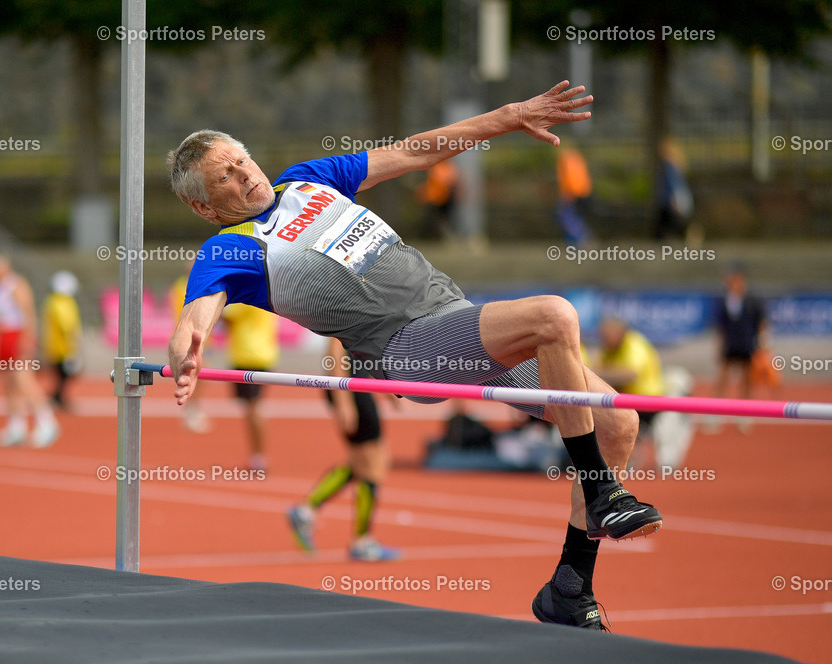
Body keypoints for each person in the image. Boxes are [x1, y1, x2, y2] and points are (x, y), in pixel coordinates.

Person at [166, 81, 662, 631]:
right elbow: (197, 314)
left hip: (455, 318)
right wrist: (188, 344)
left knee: (618, 421)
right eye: (224, 178)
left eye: (241, 160)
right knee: (554, 316)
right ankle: (601, 492)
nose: (245, 176)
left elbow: (417, 149)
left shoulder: (310, 178)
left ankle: (570, 587)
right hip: (408, 349)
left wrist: (511, 115)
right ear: (202, 204)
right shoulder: (230, 247)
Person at [288, 338, 398, 561]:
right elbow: (335, 358)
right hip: (349, 391)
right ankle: (361, 540)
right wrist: (343, 401)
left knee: (371, 462)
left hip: (357, 389)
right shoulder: (341, 317)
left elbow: (368, 356)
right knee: (372, 466)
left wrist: (387, 388)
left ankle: (306, 511)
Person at [0, 254, 59, 448]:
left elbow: (28, 313)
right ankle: (16, 427)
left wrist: (29, 338)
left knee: (24, 381)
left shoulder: (16, 285)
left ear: (4, 267)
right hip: (2, 336)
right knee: (9, 385)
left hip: (17, 336)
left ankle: (47, 423)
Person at [594, 317, 664, 469]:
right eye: (602, 336)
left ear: (619, 333)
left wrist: (594, 373)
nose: (603, 339)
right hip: (626, 400)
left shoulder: (634, 345)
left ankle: (620, 457)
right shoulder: (609, 348)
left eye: (606, 336)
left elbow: (630, 374)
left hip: (647, 402)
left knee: (611, 418)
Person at [221, 302, 279, 471]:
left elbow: (226, 318)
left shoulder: (246, 296)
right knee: (252, 406)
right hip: (261, 353)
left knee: (254, 406)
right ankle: (257, 455)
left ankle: (259, 456)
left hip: (249, 355)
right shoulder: (264, 292)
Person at [712, 263, 768, 433]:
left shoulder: (753, 299)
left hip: (747, 344)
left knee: (747, 380)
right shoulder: (723, 300)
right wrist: (719, 346)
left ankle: (743, 414)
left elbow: (762, 323)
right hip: (730, 344)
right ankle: (715, 414)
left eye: (733, 279)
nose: (729, 282)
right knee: (722, 379)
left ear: (741, 280)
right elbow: (720, 326)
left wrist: (764, 344)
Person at [169, 274, 211, 433]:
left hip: (203, 337)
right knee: (195, 374)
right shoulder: (184, 286)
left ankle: (192, 409)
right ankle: (191, 410)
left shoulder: (199, 282)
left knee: (201, 376)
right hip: (191, 337)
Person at [41, 270, 82, 409]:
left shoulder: (52, 300)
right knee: (65, 373)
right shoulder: (64, 302)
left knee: (60, 374)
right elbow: (66, 324)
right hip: (63, 346)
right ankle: (57, 397)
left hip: (55, 344)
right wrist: (73, 343)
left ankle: (57, 396)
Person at [653, 137, 693, 241]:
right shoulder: (677, 163)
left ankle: (687, 232)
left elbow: (672, 183)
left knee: (668, 221)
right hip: (671, 197)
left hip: (668, 198)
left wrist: (673, 197)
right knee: (668, 221)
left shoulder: (668, 165)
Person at [555, 145, 592, 244]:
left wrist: (568, 194)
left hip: (571, 193)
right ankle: (579, 239)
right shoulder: (577, 157)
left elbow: (570, 177)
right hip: (582, 191)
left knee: (567, 217)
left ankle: (580, 238)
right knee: (573, 215)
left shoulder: (566, 159)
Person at [415, 158, 460, 240]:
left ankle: (446, 237)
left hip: (444, 198)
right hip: (436, 198)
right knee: (436, 219)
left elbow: (448, 182)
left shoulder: (444, 167)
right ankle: (434, 236)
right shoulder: (439, 167)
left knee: (444, 219)